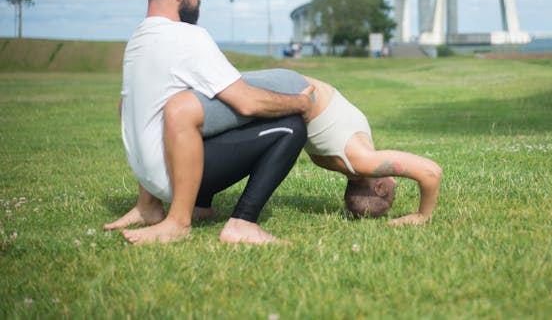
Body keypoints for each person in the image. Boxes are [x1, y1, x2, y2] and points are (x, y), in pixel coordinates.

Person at [103, 0, 314, 245]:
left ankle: (149, 208)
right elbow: (247, 102)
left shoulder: (138, 38)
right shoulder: (188, 38)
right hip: (172, 177)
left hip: (151, 173)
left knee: (186, 106)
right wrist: (300, 102)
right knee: (290, 126)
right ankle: (236, 223)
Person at [167, 68, 443, 225]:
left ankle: (190, 202)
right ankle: (193, 201)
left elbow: (431, 172)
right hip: (291, 92)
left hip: (293, 89)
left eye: (393, 189)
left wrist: (422, 216)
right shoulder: (339, 162)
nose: (396, 182)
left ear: (380, 187)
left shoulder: (363, 161)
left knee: (198, 102)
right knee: (201, 102)